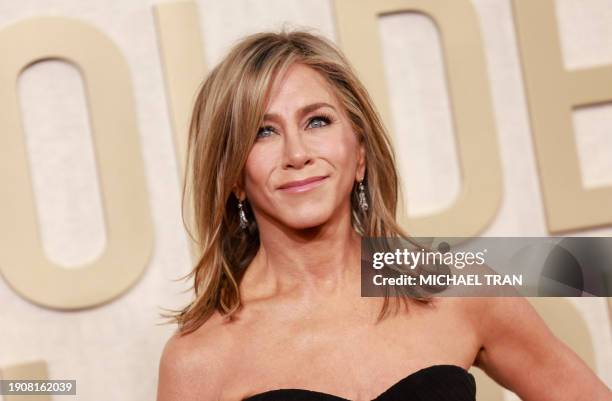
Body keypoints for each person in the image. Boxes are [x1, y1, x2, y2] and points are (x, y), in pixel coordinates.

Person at [156, 30, 611, 401]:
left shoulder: (458, 289)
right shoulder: (200, 358)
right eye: (263, 132)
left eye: (317, 121)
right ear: (235, 176)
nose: (296, 153)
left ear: (360, 155)